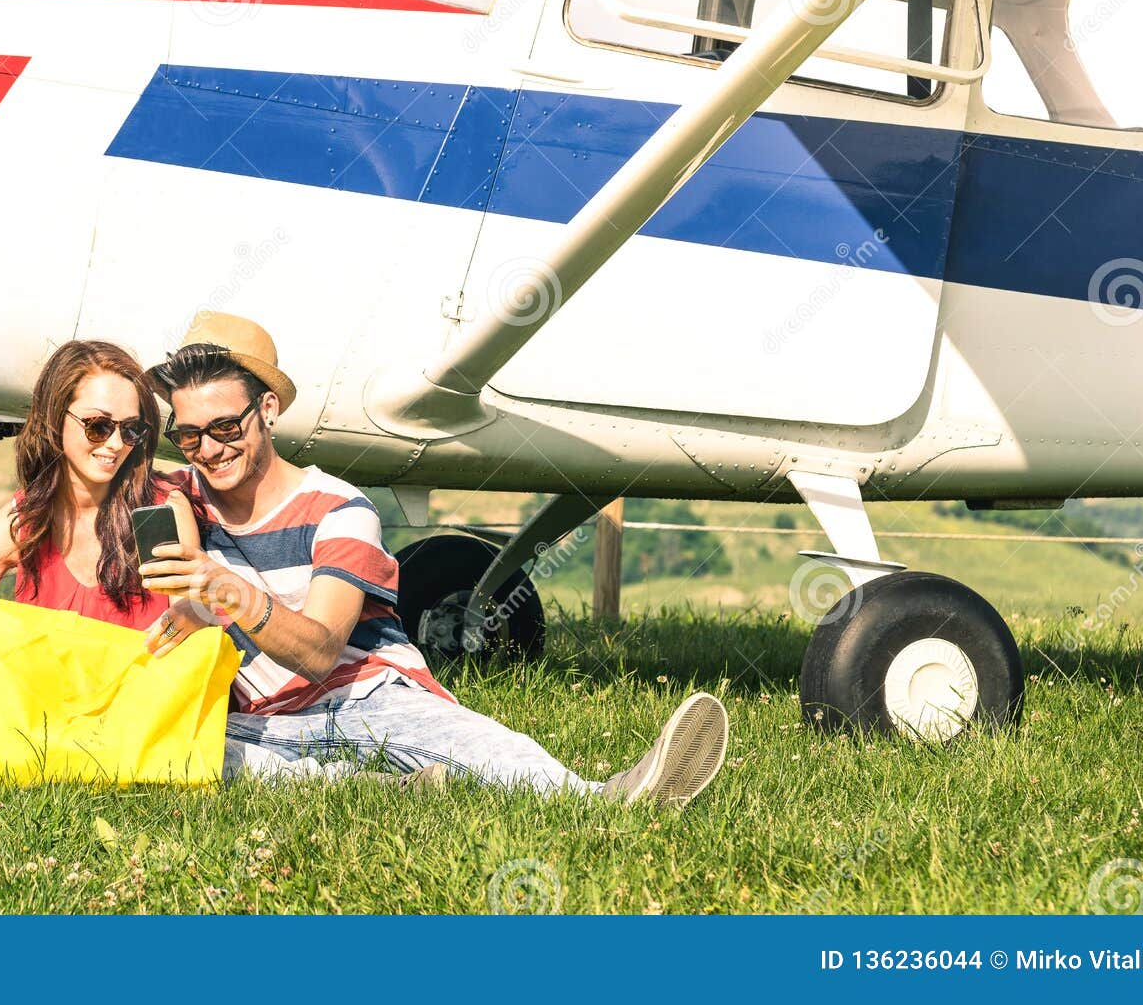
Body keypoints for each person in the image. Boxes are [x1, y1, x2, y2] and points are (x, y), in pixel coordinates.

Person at [139, 313, 730, 804]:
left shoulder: (340, 508)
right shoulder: (181, 496)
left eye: (223, 427)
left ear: (267, 410)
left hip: (361, 693)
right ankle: (378, 790)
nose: (208, 451)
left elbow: (320, 652)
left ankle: (603, 795)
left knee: (470, 742)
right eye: (188, 436)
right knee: (189, 749)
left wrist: (229, 591)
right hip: (258, 717)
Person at [0, 340, 195, 753]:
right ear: (57, 418)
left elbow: (191, 627)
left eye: (131, 429)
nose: (114, 445)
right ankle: (56, 761)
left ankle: (25, 761)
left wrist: (192, 610)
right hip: (42, 711)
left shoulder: (161, 509)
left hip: (135, 714)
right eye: (98, 425)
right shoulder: (23, 519)